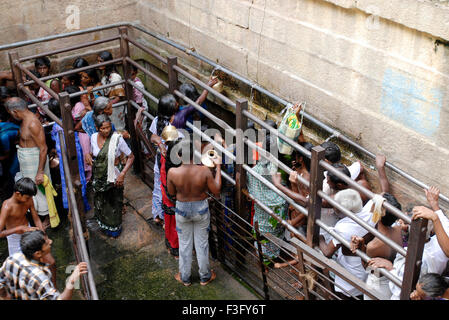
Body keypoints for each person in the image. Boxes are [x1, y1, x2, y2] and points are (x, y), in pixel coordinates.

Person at [167, 138, 221, 286]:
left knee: (184, 244)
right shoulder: (204, 170)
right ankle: (205, 277)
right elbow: (216, 190)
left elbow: (171, 193)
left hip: (182, 209)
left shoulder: (172, 172)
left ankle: (185, 278)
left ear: (178, 155)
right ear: (194, 154)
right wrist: (219, 168)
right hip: (201, 209)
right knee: (202, 244)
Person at [349, 155, 404, 300]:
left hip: (378, 284)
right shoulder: (398, 228)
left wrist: (361, 248)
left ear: (378, 213)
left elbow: (367, 266)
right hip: (392, 280)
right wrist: (380, 168)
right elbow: (386, 196)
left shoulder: (374, 245)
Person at [319, 189, 376, 299]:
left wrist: (320, 238)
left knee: (346, 294)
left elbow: (327, 252)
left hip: (352, 272)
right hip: (366, 268)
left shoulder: (343, 227)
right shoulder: (372, 209)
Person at [0, 230, 87, 300]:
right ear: (38, 254)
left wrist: (5, 296)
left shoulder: (12, 259)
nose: (50, 242)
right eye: (46, 243)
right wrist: (72, 279)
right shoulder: (40, 278)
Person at [85, 114, 134, 238]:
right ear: (96, 128)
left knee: (114, 202)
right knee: (102, 201)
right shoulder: (93, 137)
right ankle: (103, 224)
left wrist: (122, 174)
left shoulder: (117, 139)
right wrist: (89, 156)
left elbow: (131, 157)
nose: (106, 131)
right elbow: (94, 153)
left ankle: (114, 228)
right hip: (100, 176)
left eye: (108, 128)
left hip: (114, 175)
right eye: (103, 128)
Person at [5, 97, 52, 228]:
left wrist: (40, 171)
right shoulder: (25, 120)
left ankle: (48, 218)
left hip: (35, 160)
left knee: (40, 189)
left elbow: (43, 148)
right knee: (30, 188)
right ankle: (37, 214)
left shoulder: (32, 123)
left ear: (14, 112)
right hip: (27, 159)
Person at [247, 134, 288, 264]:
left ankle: (264, 260)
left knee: (262, 237)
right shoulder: (278, 170)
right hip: (277, 213)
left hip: (261, 212)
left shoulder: (253, 170)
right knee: (274, 237)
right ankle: (270, 259)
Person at [48, 98, 91, 213]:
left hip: (67, 155)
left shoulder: (57, 126)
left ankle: (76, 207)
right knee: (78, 176)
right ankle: (83, 204)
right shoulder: (68, 120)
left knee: (70, 178)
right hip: (74, 151)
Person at [0, 177, 43, 255]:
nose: (30, 199)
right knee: (18, 261)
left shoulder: (29, 199)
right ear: (18, 194)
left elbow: (36, 219)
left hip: (28, 232)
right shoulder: (7, 207)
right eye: (27, 197)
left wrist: (43, 235)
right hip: (14, 238)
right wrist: (19, 228)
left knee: (34, 257)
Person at [96, 51, 126, 133]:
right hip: (108, 107)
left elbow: (119, 96)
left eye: (101, 61)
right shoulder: (105, 76)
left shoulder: (115, 77)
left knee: (118, 129)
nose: (99, 63)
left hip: (115, 108)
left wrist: (109, 105)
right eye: (98, 61)